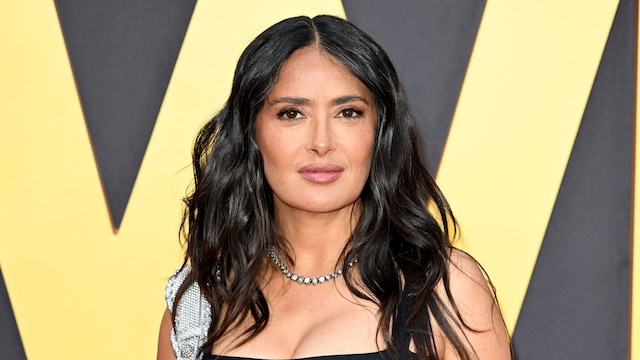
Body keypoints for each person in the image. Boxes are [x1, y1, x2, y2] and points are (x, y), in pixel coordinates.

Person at [157, 14, 512, 360]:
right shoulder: (199, 303)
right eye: (291, 113)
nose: (322, 142)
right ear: (252, 133)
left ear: (380, 131)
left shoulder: (444, 289)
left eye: (348, 112)